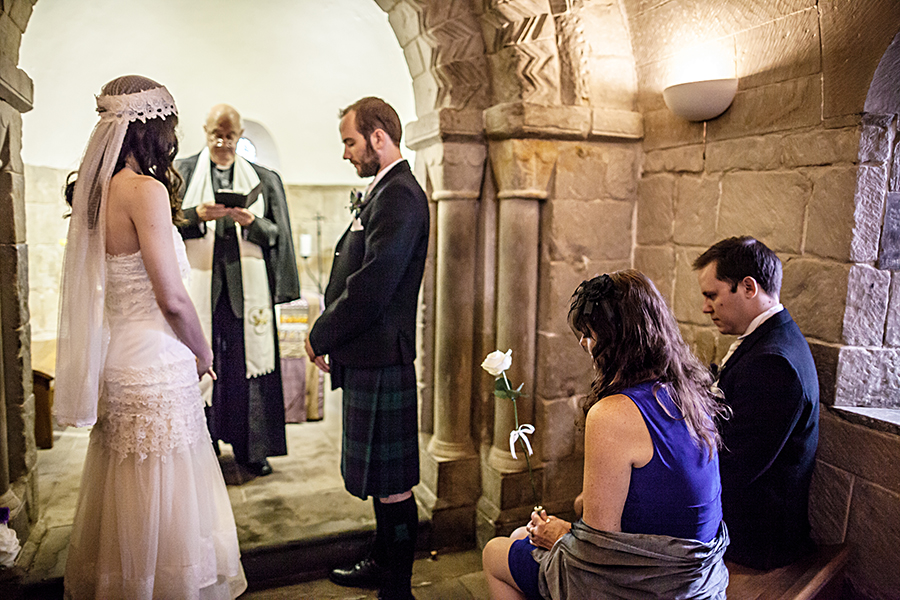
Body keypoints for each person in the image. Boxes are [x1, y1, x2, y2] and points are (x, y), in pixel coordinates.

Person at [54, 75, 247, 599]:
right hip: (157, 367)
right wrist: (204, 353)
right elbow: (172, 298)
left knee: (126, 496)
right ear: (155, 132)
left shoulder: (97, 192)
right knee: (168, 500)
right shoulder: (146, 192)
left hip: (118, 362)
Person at [482, 271, 730, 600]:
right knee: (525, 534)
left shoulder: (613, 413)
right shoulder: (689, 389)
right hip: (698, 575)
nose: (584, 344)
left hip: (652, 585)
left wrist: (562, 532)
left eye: (589, 333)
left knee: (495, 552)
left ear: (618, 336)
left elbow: (599, 550)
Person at [305, 97, 429, 600]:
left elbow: (373, 285)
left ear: (379, 138)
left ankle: (397, 587)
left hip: (382, 358)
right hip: (370, 356)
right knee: (383, 478)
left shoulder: (400, 194)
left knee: (394, 482)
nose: (345, 154)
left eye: (349, 142)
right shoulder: (384, 191)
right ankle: (383, 561)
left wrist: (321, 332)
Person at [177, 103, 300, 477]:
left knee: (246, 370)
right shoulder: (182, 173)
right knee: (203, 368)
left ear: (240, 134)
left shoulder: (264, 178)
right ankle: (205, 444)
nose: (223, 141)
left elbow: (277, 234)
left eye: (230, 135)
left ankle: (252, 448)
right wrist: (196, 215)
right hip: (202, 290)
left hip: (247, 296)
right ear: (204, 130)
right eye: (217, 133)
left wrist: (252, 223)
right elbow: (163, 225)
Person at [693, 236, 819, 570]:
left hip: (756, 542)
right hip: (749, 523)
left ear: (748, 287)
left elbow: (734, 468)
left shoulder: (774, 362)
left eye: (712, 295)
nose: (706, 308)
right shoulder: (770, 339)